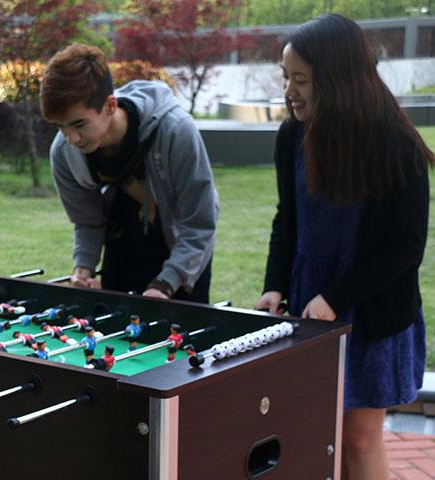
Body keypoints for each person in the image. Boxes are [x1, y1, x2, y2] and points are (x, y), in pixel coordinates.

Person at [254, 14, 432, 480]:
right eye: (286, 77)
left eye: (301, 80)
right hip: (309, 306)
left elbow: (405, 248)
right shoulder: (293, 134)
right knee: (318, 431)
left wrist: (336, 297)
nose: (289, 91)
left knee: (358, 438)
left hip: (371, 314)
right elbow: (285, 218)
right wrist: (275, 284)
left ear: (336, 80)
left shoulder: (396, 146)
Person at [40, 44, 218, 303]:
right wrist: (84, 267)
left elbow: (199, 224)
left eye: (79, 124)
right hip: (120, 250)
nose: (71, 138)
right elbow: (87, 220)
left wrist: (165, 284)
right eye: (60, 127)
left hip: (183, 256)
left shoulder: (176, 131)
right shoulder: (63, 150)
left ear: (110, 106)